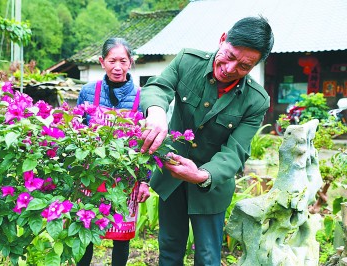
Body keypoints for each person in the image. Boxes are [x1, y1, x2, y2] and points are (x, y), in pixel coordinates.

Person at [139, 16, 274, 265]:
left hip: (210, 186)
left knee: (208, 256)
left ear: (254, 66)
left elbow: (236, 151)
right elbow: (157, 87)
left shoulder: (256, 100)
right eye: (230, 55)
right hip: (170, 176)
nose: (231, 68)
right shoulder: (187, 61)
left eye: (244, 66)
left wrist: (202, 175)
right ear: (223, 39)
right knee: (169, 248)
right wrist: (156, 111)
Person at [76, 38, 150, 266]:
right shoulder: (88, 92)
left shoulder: (142, 96)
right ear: (102, 62)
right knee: (84, 232)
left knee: (121, 237)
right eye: (112, 61)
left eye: (123, 61)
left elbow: (146, 145)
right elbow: (76, 131)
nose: (117, 67)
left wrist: (145, 181)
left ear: (131, 63)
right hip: (91, 176)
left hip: (125, 179)